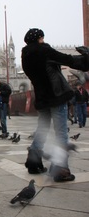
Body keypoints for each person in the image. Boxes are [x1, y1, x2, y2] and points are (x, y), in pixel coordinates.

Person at [21, 28, 89, 182]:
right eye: (42, 38)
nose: (43, 40)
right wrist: (86, 57)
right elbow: (68, 60)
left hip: (42, 99)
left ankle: (33, 162)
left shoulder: (25, 56)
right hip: (56, 96)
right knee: (61, 133)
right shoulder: (44, 51)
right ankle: (60, 170)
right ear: (39, 38)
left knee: (42, 130)